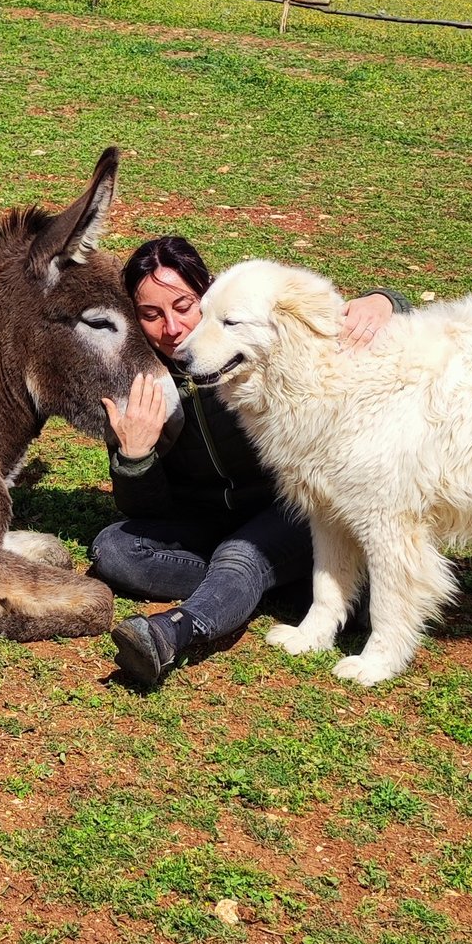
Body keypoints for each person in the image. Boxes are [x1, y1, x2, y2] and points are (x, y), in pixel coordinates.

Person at [96, 234, 407, 687]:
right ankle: (257, 583)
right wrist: (135, 455)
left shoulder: (253, 349)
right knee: (114, 549)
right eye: (151, 314)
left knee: (242, 553)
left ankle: (176, 631)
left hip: (289, 515)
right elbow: (145, 511)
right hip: (207, 524)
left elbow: (332, 331)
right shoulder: (135, 381)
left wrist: (384, 301)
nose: (173, 328)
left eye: (183, 306)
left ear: (209, 295)